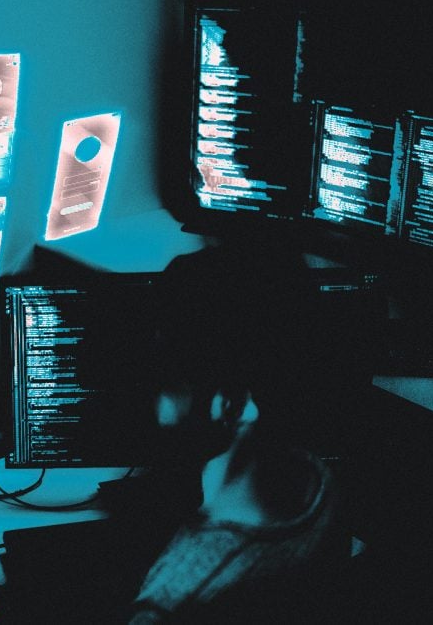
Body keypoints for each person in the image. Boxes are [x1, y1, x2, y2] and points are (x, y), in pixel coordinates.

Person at [126, 239, 352, 623]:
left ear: (233, 405)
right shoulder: (316, 481)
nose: (152, 398)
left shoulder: (168, 601)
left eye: (168, 380)